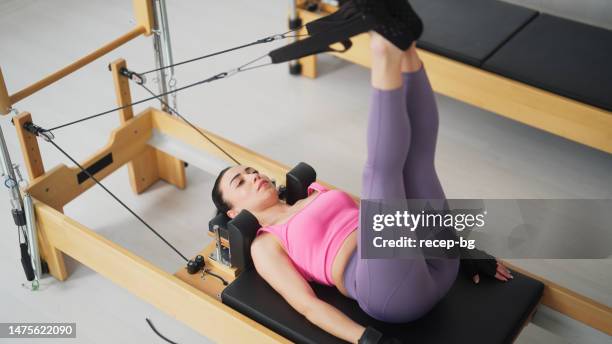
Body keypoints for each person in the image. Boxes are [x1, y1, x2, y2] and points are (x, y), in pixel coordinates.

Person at [212, 2, 513, 343]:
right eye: (241, 181)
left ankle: (405, 45)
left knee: (417, 162)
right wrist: (367, 339)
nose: (253, 176)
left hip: (436, 263)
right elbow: (307, 305)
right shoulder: (265, 245)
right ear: (234, 212)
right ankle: (384, 49)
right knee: (379, 177)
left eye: (251, 170)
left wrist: (464, 253)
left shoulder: (315, 192)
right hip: (391, 292)